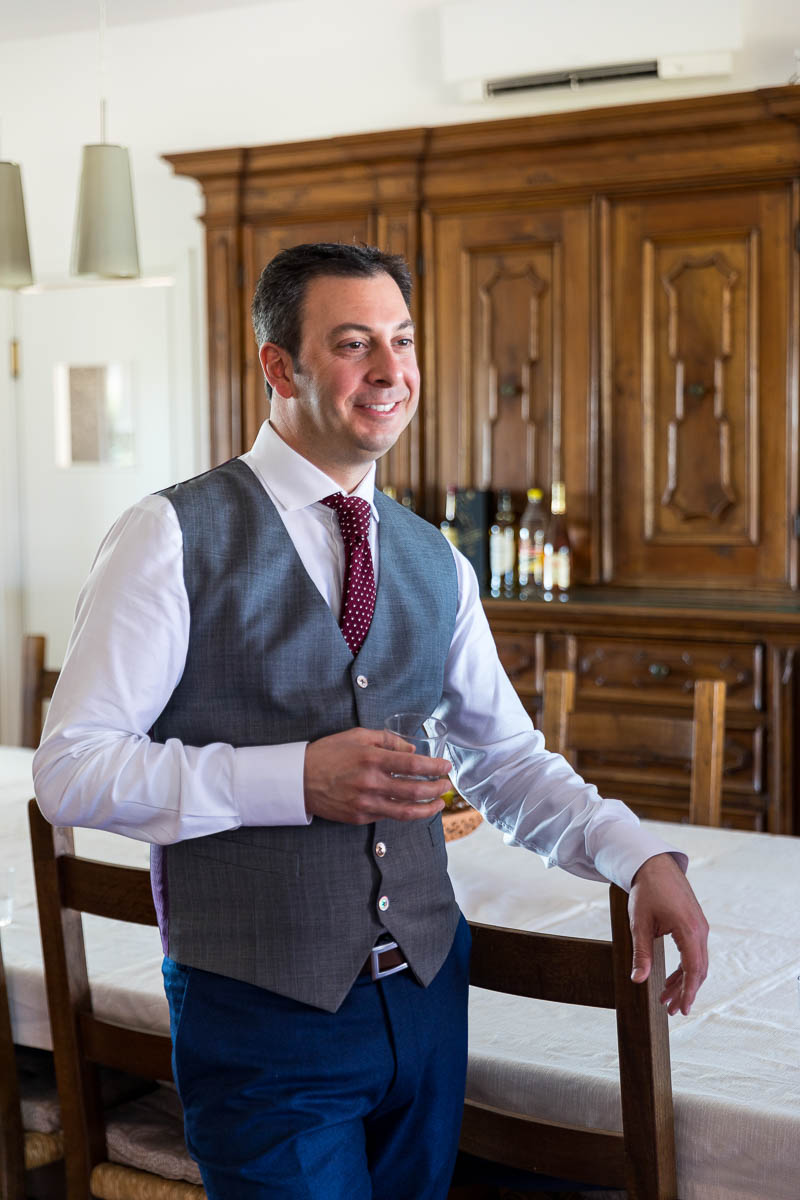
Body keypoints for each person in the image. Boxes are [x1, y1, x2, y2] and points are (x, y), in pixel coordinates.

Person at [34, 242, 708, 1200]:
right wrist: (291, 778)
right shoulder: (170, 533)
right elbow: (72, 770)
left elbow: (510, 764)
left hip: (429, 1003)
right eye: (355, 344)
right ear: (281, 366)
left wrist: (637, 858)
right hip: (261, 1013)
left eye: (403, 339)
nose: (392, 372)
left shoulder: (438, 561)